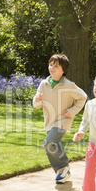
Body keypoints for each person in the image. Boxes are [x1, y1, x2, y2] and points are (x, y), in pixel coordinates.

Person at [33, 54, 87, 184]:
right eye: (51, 65)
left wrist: (72, 111)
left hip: (63, 120)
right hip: (49, 122)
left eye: (56, 66)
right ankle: (62, 172)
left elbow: (83, 97)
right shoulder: (44, 84)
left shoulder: (69, 85)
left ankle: (63, 167)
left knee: (48, 142)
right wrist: (37, 100)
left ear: (64, 70)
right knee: (50, 146)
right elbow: (36, 105)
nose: (52, 67)